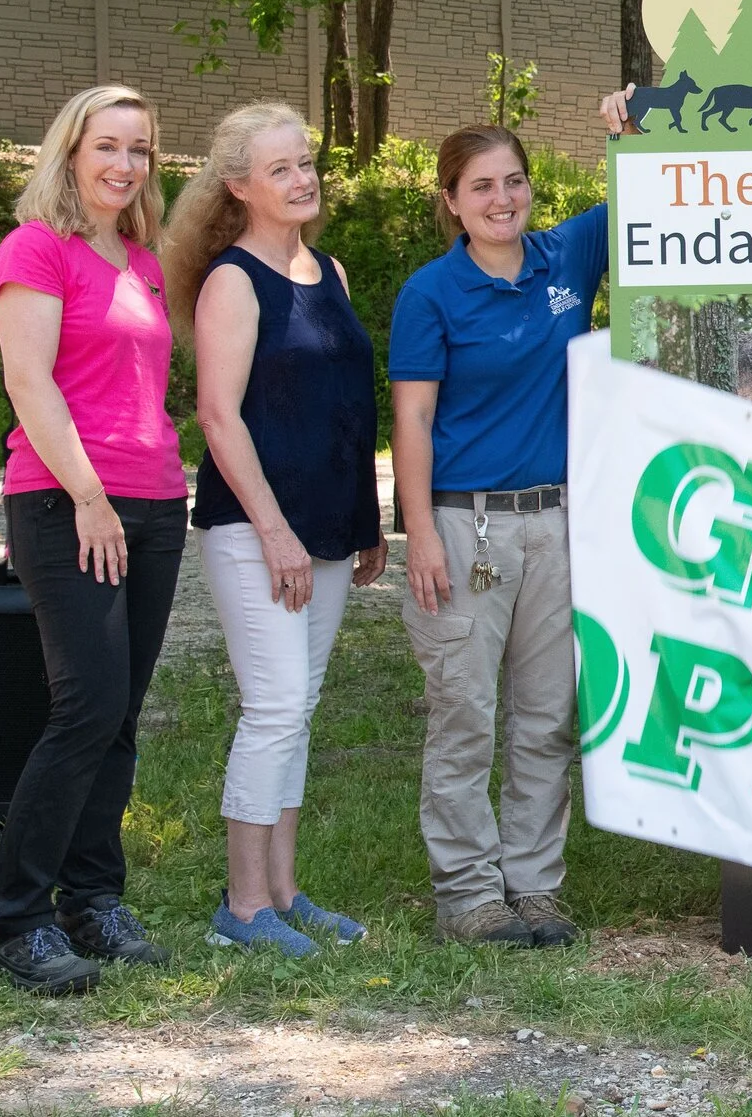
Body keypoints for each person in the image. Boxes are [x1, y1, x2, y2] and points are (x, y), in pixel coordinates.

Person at [161, 103, 385, 957]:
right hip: (256, 529)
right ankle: (243, 906)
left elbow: (346, 407)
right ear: (239, 187)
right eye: (280, 168)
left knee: (302, 708)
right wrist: (276, 532)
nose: (302, 179)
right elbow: (219, 417)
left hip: (328, 526)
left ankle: (285, 894)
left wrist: (365, 520)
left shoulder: (330, 271)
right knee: (276, 705)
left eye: (306, 162)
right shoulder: (232, 280)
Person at [0, 85, 183, 994]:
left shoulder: (141, 261)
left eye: (140, 149)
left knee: (121, 713)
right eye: (108, 146)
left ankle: (92, 900)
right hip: (68, 502)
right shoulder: (35, 248)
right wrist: (90, 496)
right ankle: (11, 919)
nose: (125, 164)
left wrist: (143, 493)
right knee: (86, 707)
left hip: (156, 501)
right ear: (70, 152)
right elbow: (29, 382)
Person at [390, 126, 608, 947]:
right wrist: (420, 532)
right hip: (464, 524)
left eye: (514, 180)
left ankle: (535, 884)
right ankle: (469, 893)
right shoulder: (431, 294)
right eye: (481, 186)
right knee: (464, 714)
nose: (502, 198)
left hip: (555, 522)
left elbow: (648, 184)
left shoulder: (567, 257)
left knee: (548, 717)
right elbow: (412, 419)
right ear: (450, 200)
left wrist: (627, 120)